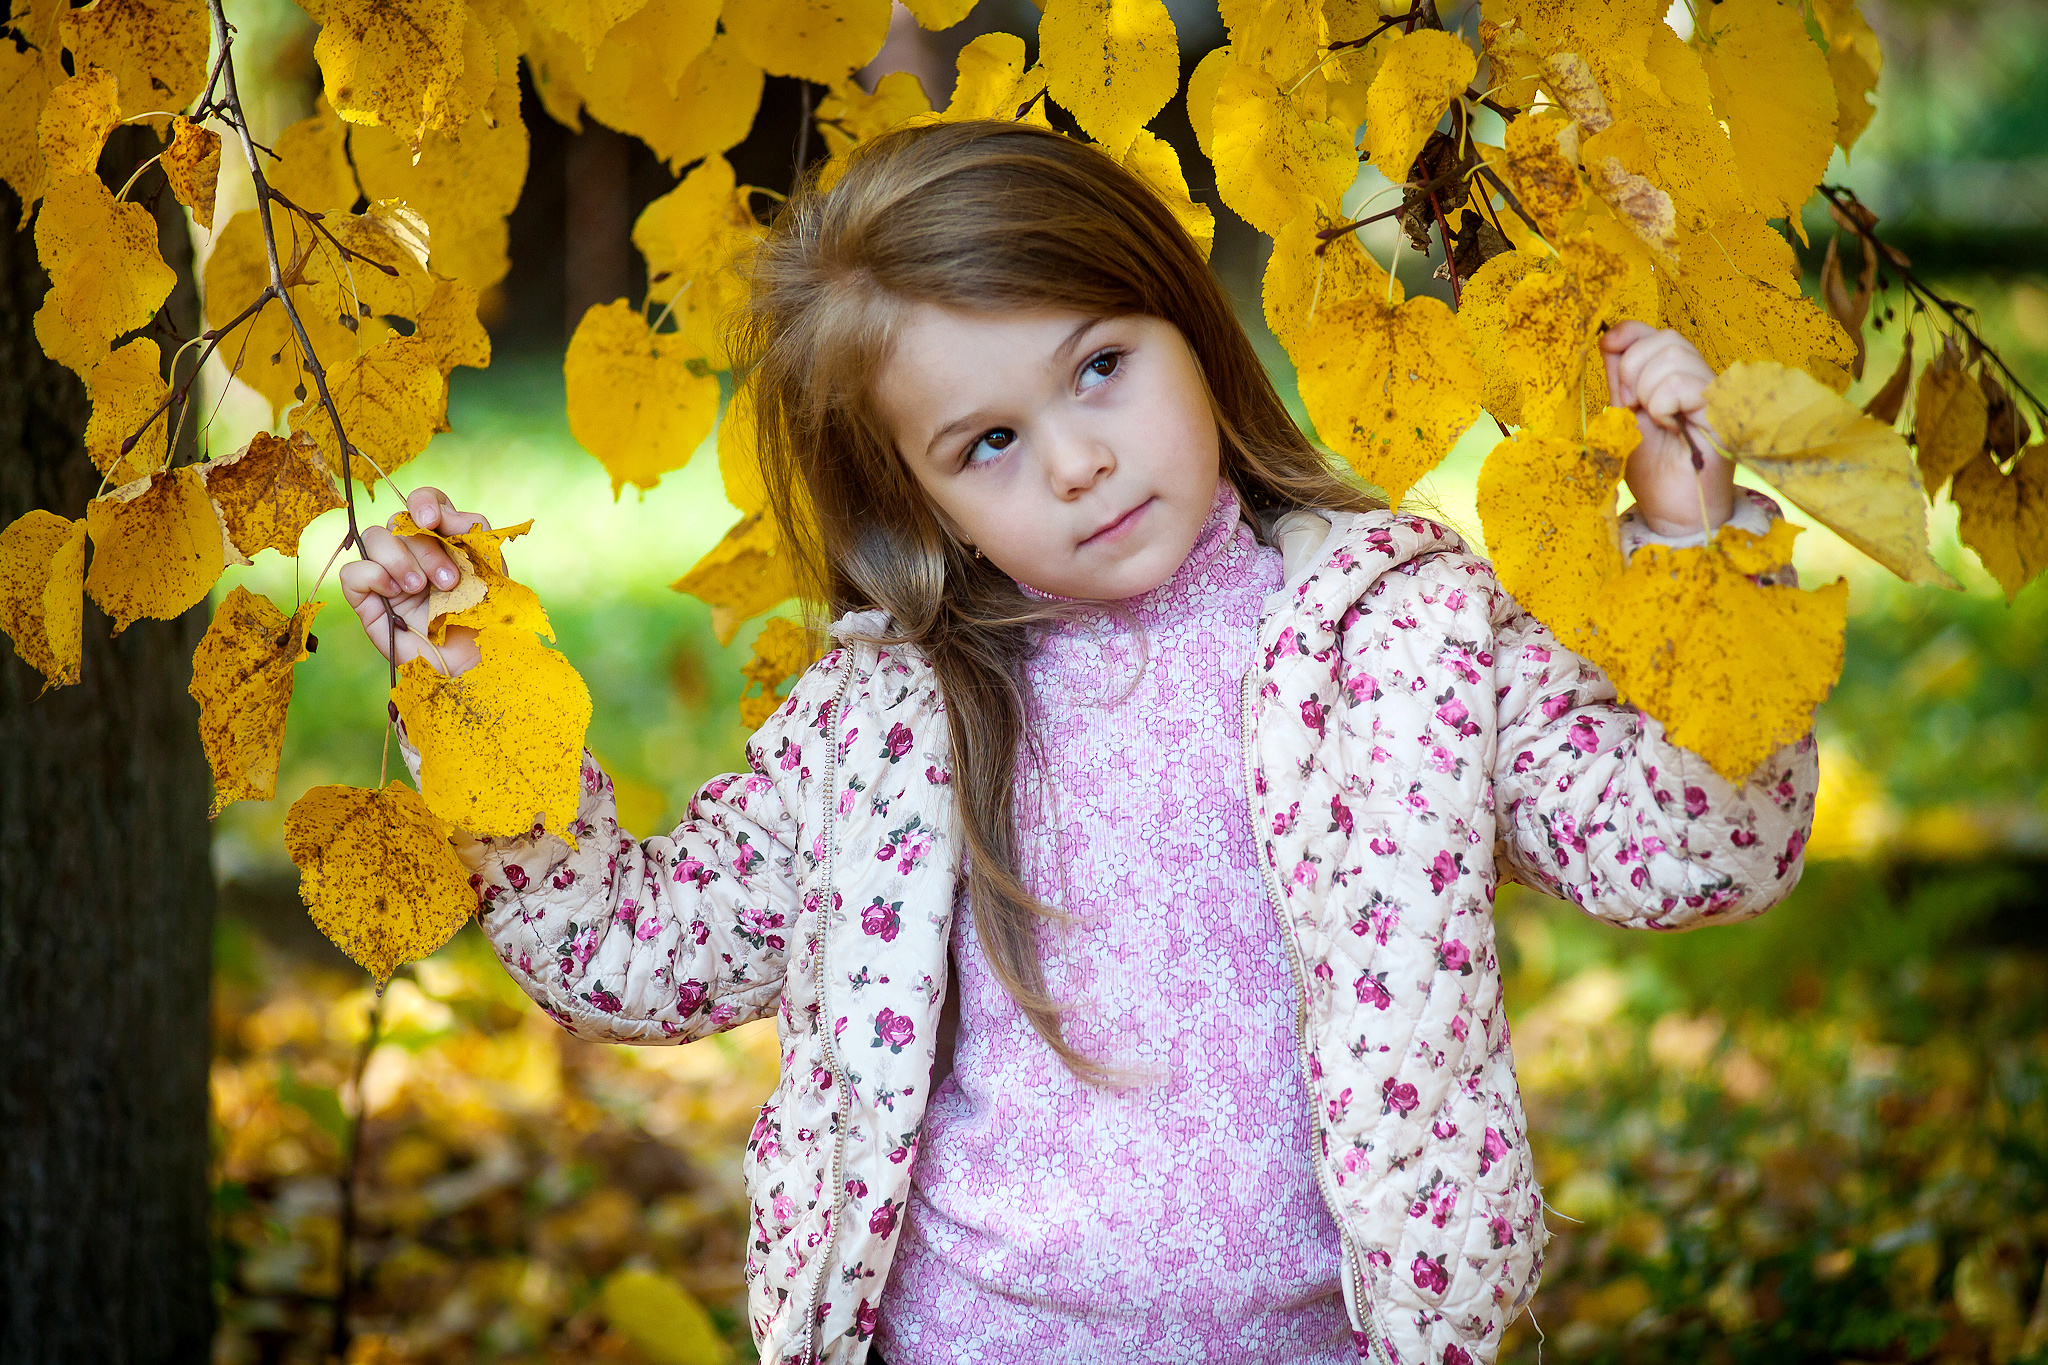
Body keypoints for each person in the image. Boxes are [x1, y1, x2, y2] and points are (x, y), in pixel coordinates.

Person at [340, 120, 1818, 1365]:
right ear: (915, 503)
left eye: (1100, 364)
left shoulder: (1407, 637)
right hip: (966, 1335)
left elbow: (1703, 851)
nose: (1077, 459)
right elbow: (632, 948)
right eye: (986, 443)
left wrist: (1695, 537)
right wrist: (472, 688)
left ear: (1185, 319)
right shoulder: (887, 728)